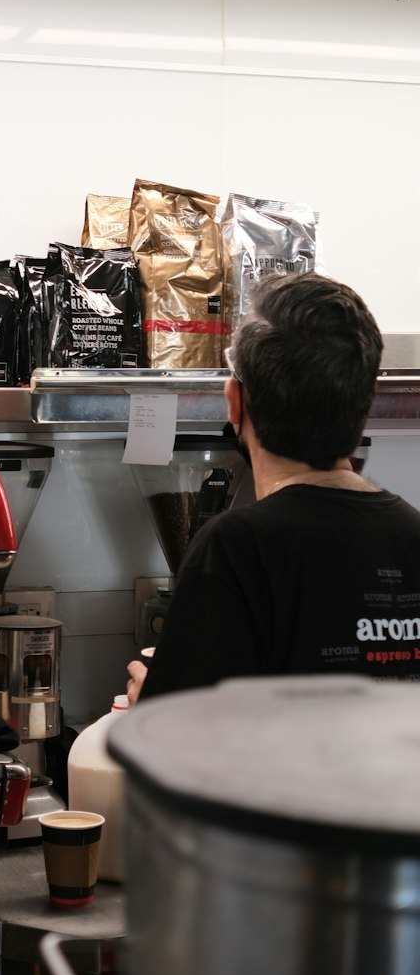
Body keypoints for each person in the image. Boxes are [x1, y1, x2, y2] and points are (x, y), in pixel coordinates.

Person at [128, 272, 420, 702]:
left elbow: (185, 752)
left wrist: (152, 706)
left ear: (234, 401)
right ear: (363, 400)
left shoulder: (237, 547)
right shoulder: (413, 534)